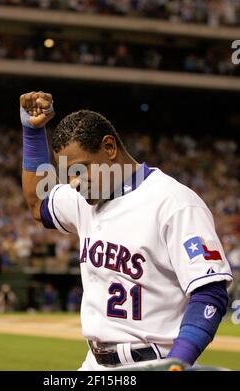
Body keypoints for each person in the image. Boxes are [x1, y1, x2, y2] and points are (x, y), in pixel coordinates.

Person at [20, 91, 233, 370]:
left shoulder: (174, 203)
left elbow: (209, 292)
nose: (74, 182)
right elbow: (37, 204)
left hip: (154, 361)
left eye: (80, 170)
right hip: (94, 363)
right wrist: (33, 133)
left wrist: (179, 361)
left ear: (109, 148)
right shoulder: (82, 197)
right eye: (67, 174)